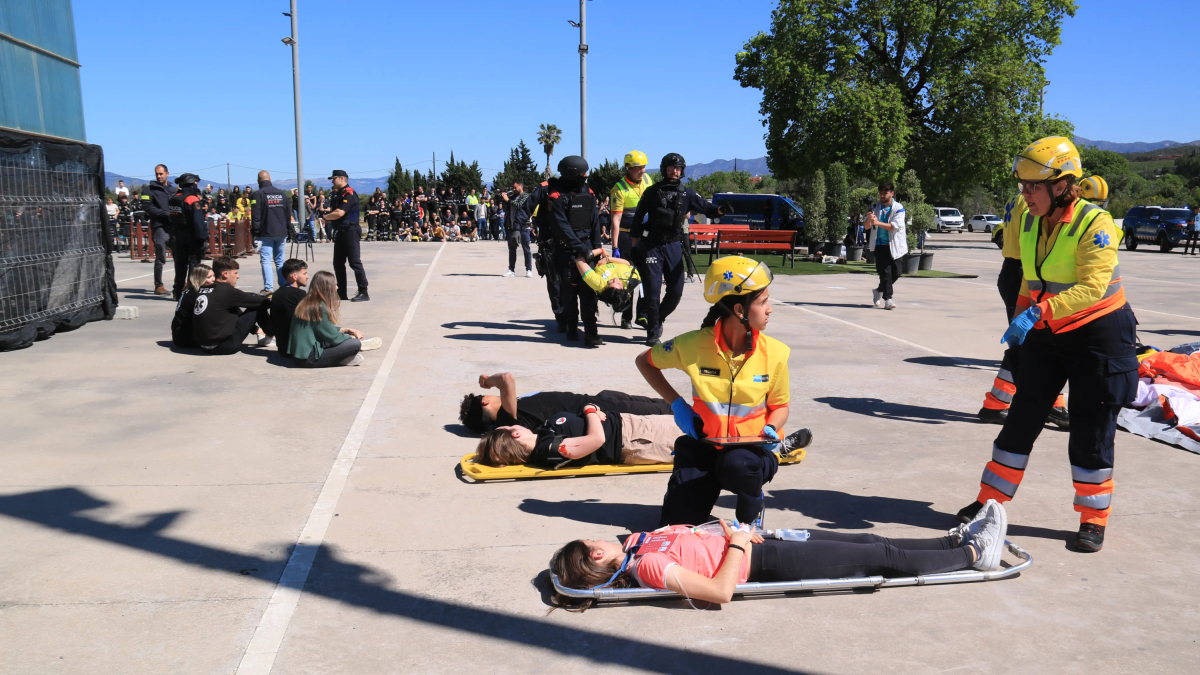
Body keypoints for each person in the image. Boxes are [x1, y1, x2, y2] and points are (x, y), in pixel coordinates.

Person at [957, 136, 1135, 553]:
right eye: (1022, 187)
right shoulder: (1035, 221)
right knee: (1021, 418)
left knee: (1091, 427)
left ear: (1061, 185)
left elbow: (1093, 287)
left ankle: (1093, 519)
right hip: (1049, 331)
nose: (1025, 195)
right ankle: (990, 503)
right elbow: (1030, 278)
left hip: (1098, 336)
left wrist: (1039, 313)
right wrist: (1020, 322)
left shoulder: (1096, 224)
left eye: (1032, 187)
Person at [548, 500, 1010, 611]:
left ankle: (952, 542)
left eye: (587, 543)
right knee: (878, 555)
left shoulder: (637, 545)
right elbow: (719, 591)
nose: (594, 543)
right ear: (595, 570)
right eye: (588, 553)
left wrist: (742, 531)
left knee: (872, 542)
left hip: (765, 541)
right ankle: (974, 554)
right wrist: (738, 543)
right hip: (764, 562)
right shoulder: (646, 567)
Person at [635, 256, 809, 528]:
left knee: (737, 464)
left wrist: (771, 428)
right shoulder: (692, 345)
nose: (769, 309)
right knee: (677, 525)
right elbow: (644, 361)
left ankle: (753, 507)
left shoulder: (774, 353)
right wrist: (677, 405)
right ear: (740, 309)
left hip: (750, 454)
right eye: (763, 302)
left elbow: (780, 407)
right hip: (705, 447)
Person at [978, 192, 1069, 429]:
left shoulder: (1015, 198)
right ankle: (1001, 404)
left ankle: (1006, 403)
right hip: (1024, 271)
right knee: (1029, 344)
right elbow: (1035, 238)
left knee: (1034, 344)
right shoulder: (1033, 202)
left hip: (1017, 269)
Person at [630, 154, 727, 346]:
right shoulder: (651, 192)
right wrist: (634, 247)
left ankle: (658, 319)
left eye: (678, 168)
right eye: (671, 168)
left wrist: (722, 210)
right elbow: (637, 219)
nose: (675, 171)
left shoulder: (687, 193)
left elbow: (708, 209)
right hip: (653, 246)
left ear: (682, 171)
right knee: (652, 290)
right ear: (664, 169)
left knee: (675, 291)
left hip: (674, 245)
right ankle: (653, 332)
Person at [460, 372, 672, 434]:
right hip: (602, 409)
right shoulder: (508, 417)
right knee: (662, 409)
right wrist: (487, 382)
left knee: (661, 404)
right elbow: (507, 379)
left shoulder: (511, 418)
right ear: (485, 402)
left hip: (598, 400)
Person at [476, 404, 679, 468]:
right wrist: (590, 411)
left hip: (632, 427)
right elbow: (595, 440)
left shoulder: (543, 436)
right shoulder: (549, 449)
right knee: (704, 433)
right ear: (516, 434)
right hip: (637, 438)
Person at [544, 155, 604, 346]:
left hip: (588, 250)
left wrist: (597, 248)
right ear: (572, 175)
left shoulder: (588, 192)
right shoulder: (556, 196)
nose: (585, 176)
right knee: (568, 293)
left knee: (589, 293)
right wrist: (580, 248)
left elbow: (595, 221)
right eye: (582, 173)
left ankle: (591, 332)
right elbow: (562, 227)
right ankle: (571, 326)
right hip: (567, 251)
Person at [287, 270, 382, 367]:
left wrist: (345, 330)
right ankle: (342, 357)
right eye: (335, 285)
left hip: (298, 357)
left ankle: (341, 358)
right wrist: (351, 337)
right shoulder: (319, 307)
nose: (337, 287)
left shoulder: (307, 302)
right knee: (354, 344)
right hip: (310, 358)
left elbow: (321, 328)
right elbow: (334, 338)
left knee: (343, 341)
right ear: (327, 288)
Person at [192, 256, 273, 354]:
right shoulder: (227, 291)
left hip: (203, 346)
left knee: (230, 308)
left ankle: (262, 333)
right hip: (224, 346)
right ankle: (270, 336)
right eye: (235, 273)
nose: (237, 276)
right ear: (225, 274)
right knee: (258, 307)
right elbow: (260, 302)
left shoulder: (203, 289)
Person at [324, 170, 369, 302]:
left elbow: (339, 213)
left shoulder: (349, 194)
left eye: (334, 179)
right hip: (341, 231)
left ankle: (363, 291)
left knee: (354, 262)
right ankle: (341, 293)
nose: (332, 181)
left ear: (341, 178)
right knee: (338, 263)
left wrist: (325, 218)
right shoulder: (338, 194)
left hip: (350, 231)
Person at [864, 181, 907, 310]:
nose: (882, 196)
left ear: (892, 194)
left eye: (885, 193)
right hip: (880, 246)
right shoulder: (875, 207)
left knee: (897, 273)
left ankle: (878, 290)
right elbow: (866, 227)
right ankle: (888, 299)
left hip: (895, 246)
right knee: (886, 274)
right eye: (881, 193)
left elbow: (893, 226)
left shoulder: (898, 208)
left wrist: (876, 222)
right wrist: (869, 219)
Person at [167, 172, 210, 301]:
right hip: (191, 238)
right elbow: (198, 222)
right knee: (194, 267)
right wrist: (203, 238)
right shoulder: (192, 199)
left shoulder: (174, 198)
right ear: (192, 183)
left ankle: (177, 292)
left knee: (180, 267)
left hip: (176, 237)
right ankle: (191, 293)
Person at [575, 250, 643, 328]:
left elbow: (579, 261)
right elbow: (629, 264)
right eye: (618, 283)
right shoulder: (630, 281)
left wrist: (600, 250)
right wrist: (608, 259)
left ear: (606, 288)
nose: (616, 279)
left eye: (611, 282)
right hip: (612, 257)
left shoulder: (599, 284)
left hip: (594, 253)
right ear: (623, 288)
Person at [250, 171, 290, 294]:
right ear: (270, 179)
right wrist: (288, 229)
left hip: (266, 232)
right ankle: (283, 286)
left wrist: (255, 232)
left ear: (258, 181)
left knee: (266, 260)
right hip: (281, 231)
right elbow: (287, 213)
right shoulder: (282, 194)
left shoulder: (257, 195)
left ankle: (268, 288)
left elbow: (255, 215)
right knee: (279, 261)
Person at [609, 151, 653, 260]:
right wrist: (615, 247)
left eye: (644, 167)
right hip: (627, 236)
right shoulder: (619, 189)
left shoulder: (647, 179)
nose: (642, 170)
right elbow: (616, 220)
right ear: (628, 167)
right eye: (639, 167)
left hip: (645, 234)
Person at [139, 164, 173, 296]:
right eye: (157, 174)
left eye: (161, 174)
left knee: (180, 256)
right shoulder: (148, 190)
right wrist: (165, 214)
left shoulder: (172, 189)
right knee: (161, 256)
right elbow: (148, 207)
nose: (159, 176)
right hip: (160, 226)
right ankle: (159, 285)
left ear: (167, 174)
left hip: (173, 227)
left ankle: (181, 283)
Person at [270, 259, 309, 356]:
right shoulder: (300, 294)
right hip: (298, 349)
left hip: (282, 348)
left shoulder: (276, 294)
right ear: (294, 276)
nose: (307, 277)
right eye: (304, 274)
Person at [171, 263, 213, 348]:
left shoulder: (188, 290)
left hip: (179, 335)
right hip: (186, 338)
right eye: (209, 277)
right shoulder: (197, 294)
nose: (213, 279)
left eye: (213, 276)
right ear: (199, 279)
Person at [501, 182, 533, 277]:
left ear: (521, 186)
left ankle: (529, 269)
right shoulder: (512, 197)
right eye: (513, 188)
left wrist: (508, 200)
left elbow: (519, 206)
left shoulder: (526, 196)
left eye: (515, 187)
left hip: (523, 227)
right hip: (512, 226)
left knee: (526, 248)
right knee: (512, 249)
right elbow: (506, 209)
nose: (513, 189)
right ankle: (511, 270)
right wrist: (504, 199)